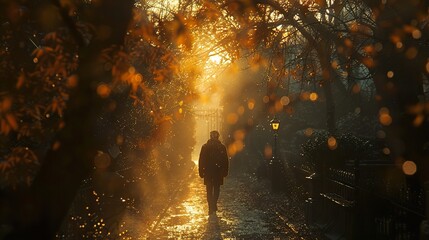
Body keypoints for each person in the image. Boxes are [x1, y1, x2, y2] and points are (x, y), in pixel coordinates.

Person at [199, 130, 229, 215]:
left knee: (209, 190)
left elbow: (201, 160)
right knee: (216, 189)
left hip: (208, 172)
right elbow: (225, 161)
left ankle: (211, 206)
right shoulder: (221, 147)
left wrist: (201, 171)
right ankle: (213, 204)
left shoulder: (205, 147)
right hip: (217, 172)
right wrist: (225, 171)